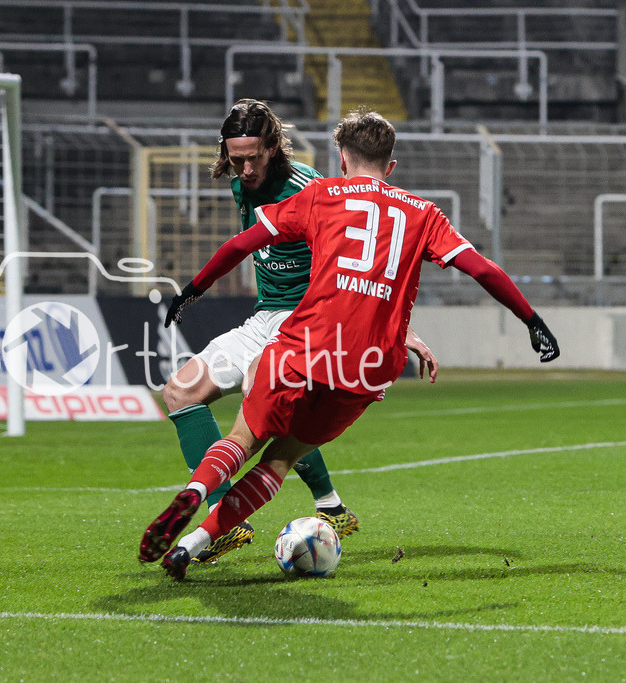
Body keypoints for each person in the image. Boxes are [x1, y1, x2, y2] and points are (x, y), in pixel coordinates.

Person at [140, 108, 559, 580]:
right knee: (277, 456)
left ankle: (200, 491)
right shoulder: (423, 213)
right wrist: (532, 319)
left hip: (302, 334)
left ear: (341, 157)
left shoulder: (318, 193)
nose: (246, 169)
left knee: (243, 437)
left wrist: (193, 288)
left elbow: (242, 246)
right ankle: (197, 543)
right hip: (367, 366)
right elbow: (481, 268)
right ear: (391, 165)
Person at [162, 99, 438, 564]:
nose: (246, 167)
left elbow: (368, 267)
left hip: (310, 319)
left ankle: (296, 509)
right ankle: (306, 509)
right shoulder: (239, 184)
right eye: (237, 158)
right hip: (265, 315)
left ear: (274, 146)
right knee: (179, 392)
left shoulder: (311, 186)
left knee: (264, 399)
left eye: (254, 156)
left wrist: (397, 329)